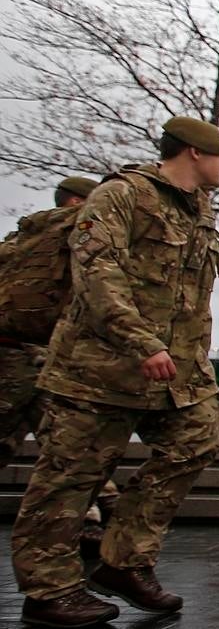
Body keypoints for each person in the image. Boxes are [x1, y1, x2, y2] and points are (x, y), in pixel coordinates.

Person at [10, 117, 219, 628]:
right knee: (69, 479)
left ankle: (124, 560)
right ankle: (48, 591)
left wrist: (194, 363)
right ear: (194, 153)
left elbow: (189, 298)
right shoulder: (121, 195)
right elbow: (96, 273)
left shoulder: (197, 209)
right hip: (100, 368)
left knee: (203, 436)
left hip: (173, 371)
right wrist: (139, 341)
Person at [0, 175, 120, 558]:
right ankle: (93, 519)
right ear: (76, 205)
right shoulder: (75, 239)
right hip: (37, 357)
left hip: (28, 357)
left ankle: (92, 517)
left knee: (68, 445)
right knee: (68, 444)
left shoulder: (22, 241)